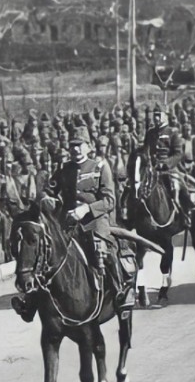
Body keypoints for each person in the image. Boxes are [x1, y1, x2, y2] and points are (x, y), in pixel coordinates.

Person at [12, 135, 129, 323]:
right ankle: (30, 303)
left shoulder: (99, 168)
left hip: (94, 221)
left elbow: (109, 201)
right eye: (72, 146)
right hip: (68, 223)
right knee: (48, 256)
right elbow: (48, 190)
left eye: (79, 146)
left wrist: (86, 209)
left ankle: (120, 294)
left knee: (106, 253)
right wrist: (44, 199)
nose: (75, 150)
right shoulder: (64, 170)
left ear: (88, 147)